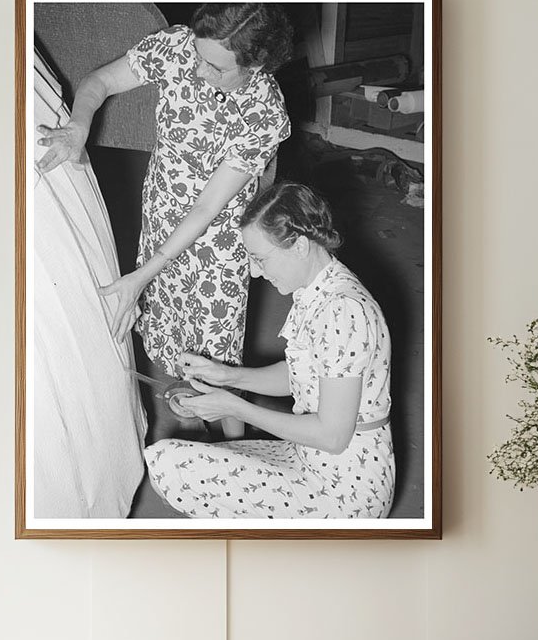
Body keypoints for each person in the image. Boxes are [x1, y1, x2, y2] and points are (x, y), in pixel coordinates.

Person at [36, 4, 293, 438]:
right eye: (197, 54)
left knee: (218, 363)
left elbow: (206, 209)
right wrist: (79, 125)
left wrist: (142, 275)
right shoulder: (176, 47)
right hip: (160, 218)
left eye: (213, 66)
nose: (196, 69)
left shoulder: (264, 113)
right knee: (170, 338)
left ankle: (239, 449)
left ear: (258, 64)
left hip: (217, 244)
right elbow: (99, 81)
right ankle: (194, 432)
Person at [145, 182, 396, 519]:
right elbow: (302, 375)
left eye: (260, 258)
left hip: (344, 488)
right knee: (184, 460)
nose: (253, 271)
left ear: (300, 246)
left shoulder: (343, 310)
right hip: (312, 459)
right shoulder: (319, 289)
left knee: (171, 463)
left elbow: (333, 436)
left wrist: (236, 408)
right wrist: (228, 375)